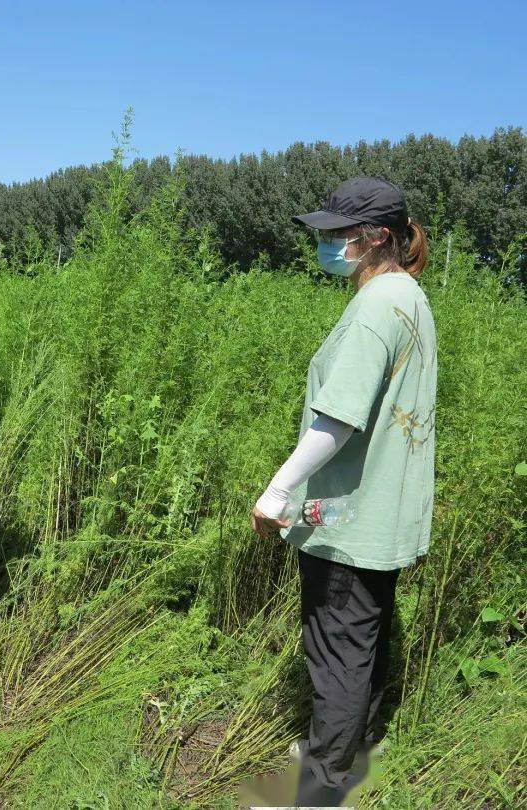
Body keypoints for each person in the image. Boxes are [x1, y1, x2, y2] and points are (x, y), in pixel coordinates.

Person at [250, 177, 436, 807]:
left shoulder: (376, 306)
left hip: (346, 515)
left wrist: (277, 492)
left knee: (336, 651)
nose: (326, 243)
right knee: (364, 639)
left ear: (375, 237)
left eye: (337, 233)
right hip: (380, 512)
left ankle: (321, 788)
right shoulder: (407, 296)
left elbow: (338, 419)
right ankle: (358, 750)